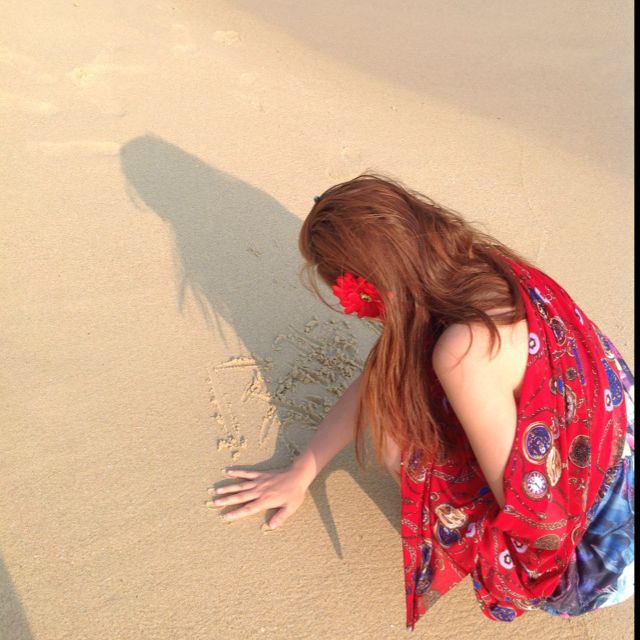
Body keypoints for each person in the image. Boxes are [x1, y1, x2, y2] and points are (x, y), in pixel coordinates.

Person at [209, 174, 634, 630]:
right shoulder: (483, 265)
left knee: (400, 433)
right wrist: (303, 470)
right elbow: (382, 372)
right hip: (624, 455)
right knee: (409, 376)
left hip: (602, 559)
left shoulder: (465, 349)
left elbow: (532, 516)